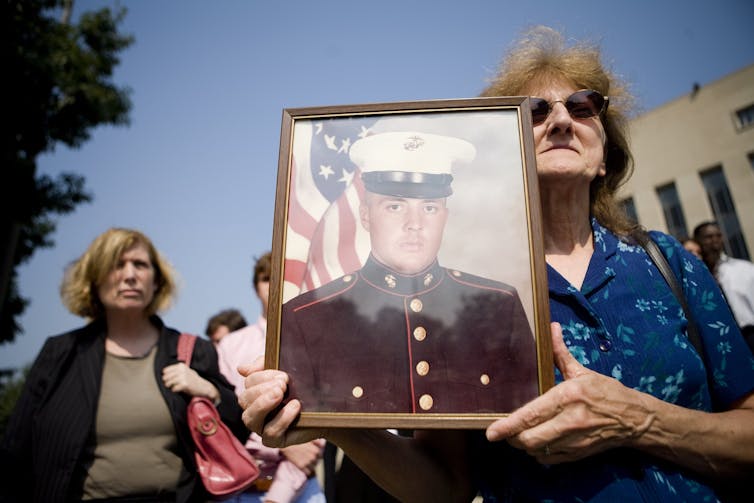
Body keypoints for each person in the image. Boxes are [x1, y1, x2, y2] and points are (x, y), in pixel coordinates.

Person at [238, 26, 754, 503]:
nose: (559, 119)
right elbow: (445, 488)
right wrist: (328, 416)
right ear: (504, 150)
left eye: (583, 105)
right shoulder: (465, 305)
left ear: (605, 153)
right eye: (533, 110)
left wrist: (636, 420)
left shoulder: (671, 265)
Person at [279, 130, 538, 415]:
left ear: (444, 217)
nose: (414, 223)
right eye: (394, 206)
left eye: (429, 207)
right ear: (365, 215)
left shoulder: (499, 306)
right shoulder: (306, 318)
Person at [0, 228, 247, 503]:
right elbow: (16, 452)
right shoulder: (60, 354)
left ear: (156, 281)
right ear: (94, 279)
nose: (130, 275)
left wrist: (209, 391)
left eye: (140, 264)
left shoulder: (193, 351)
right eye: (117, 264)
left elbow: (241, 430)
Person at [216, 252, 325, 503]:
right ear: (255, 287)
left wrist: (278, 496)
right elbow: (225, 420)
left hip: (299, 489)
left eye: (281, 277)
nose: (274, 284)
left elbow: (314, 438)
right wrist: (281, 443)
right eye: (266, 278)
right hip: (238, 490)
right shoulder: (230, 345)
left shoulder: (315, 344)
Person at [693, 221, 754, 352]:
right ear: (697, 241)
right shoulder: (696, 277)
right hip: (722, 341)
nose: (715, 240)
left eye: (718, 235)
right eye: (708, 237)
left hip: (749, 334)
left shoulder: (745, 269)